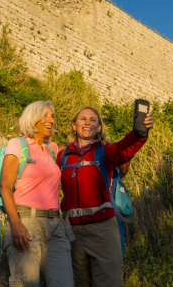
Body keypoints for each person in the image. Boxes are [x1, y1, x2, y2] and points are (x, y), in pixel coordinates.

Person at [57, 106, 153, 287]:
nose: (87, 122)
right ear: (73, 125)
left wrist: (140, 133)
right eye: (82, 119)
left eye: (93, 120)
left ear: (99, 127)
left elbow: (127, 147)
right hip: (71, 233)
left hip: (102, 230)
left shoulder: (106, 151)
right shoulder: (62, 156)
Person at [0, 100, 75, 287]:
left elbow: (81, 148)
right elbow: (5, 186)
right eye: (45, 115)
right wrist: (16, 224)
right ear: (33, 118)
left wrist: (102, 141)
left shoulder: (52, 150)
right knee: (27, 284)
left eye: (52, 116)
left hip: (56, 227)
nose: (51, 120)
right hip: (26, 223)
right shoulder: (17, 144)